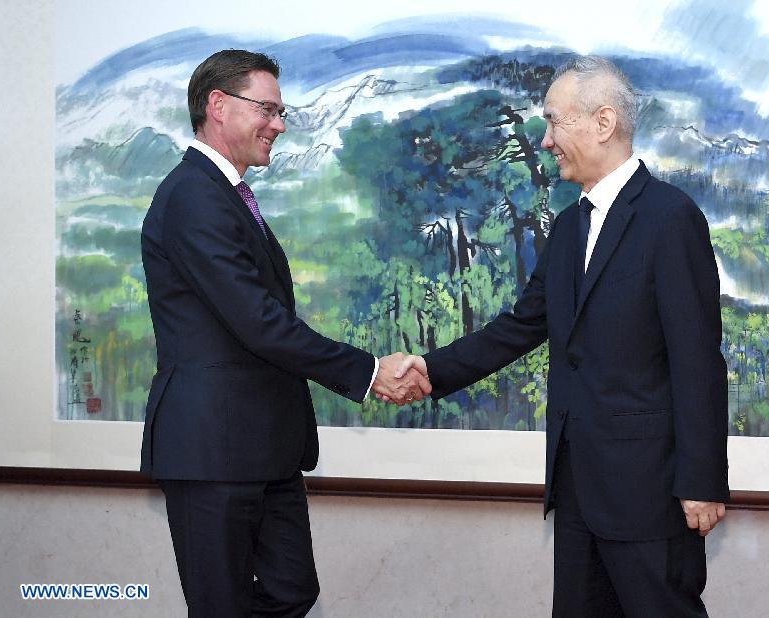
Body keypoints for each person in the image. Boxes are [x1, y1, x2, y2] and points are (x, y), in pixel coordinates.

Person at [396, 56, 729, 617]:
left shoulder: (671, 218)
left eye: (554, 123)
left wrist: (702, 480)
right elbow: (522, 324)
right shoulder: (572, 225)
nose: (546, 140)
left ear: (603, 123)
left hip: (649, 494)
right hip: (575, 489)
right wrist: (432, 371)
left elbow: (697, 358)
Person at [140, 49, 428, 617]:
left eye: (281, 111)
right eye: (267, 109)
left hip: (263, 451)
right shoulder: (193, 196)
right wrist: (368, 373)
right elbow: (259, 322)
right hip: (212, 449)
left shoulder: (225, 196)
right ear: (218, 106)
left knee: (293, 591)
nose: (279, 124)